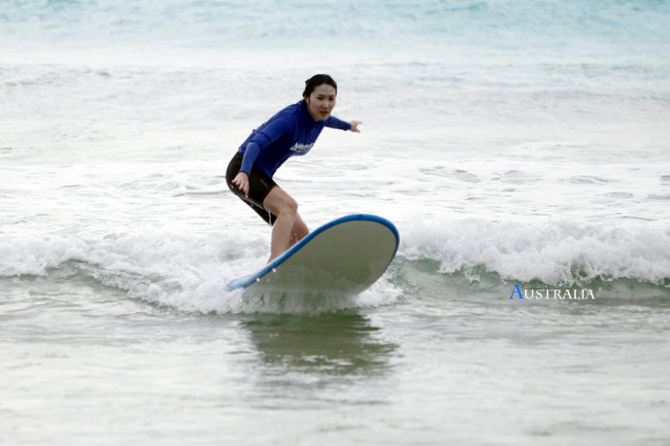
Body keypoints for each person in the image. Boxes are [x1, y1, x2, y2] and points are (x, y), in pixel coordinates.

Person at [226, 74, 361, 262]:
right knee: (288, 206)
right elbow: (255, 144)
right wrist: (244, 172)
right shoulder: (290, 119)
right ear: (307, 98)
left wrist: (349, 126)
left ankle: (296, 275)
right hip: (244, 171)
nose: (326, 105)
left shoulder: (320, 118)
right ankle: (274, 263)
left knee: (300, 235)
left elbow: (332, 121)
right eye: (320, 98)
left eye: (331, 99)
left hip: (262, 176)